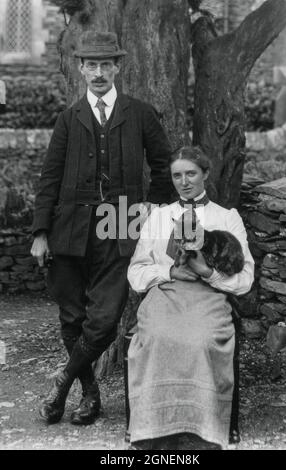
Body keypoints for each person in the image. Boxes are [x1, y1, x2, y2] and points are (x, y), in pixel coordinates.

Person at [30, 31, 173, 426]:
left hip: (122, 224)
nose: (98, 72)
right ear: (80, 69)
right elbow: (49, 178)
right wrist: (41, 233)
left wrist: (152, 207)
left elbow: (163, 165)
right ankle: (89, 394)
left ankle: (61, 382)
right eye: (90, 65)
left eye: (105, 64)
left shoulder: (139, 113)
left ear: (117, 67)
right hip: (70, 229)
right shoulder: (68, 118)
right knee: (72, 317)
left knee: (105, 319)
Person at [127, 146, 255, 450]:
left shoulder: (227, 217)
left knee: (202, 339)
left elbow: (245, 278)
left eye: (191, 174)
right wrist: (171, 271)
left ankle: (203, 428)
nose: (184, 181)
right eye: (177, 175)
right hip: (167, 292)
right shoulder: (158, 217)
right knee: (156, 336)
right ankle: (155, 430)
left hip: (210, 296)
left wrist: (207, 273)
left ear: (205, 174)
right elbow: (136, 272)